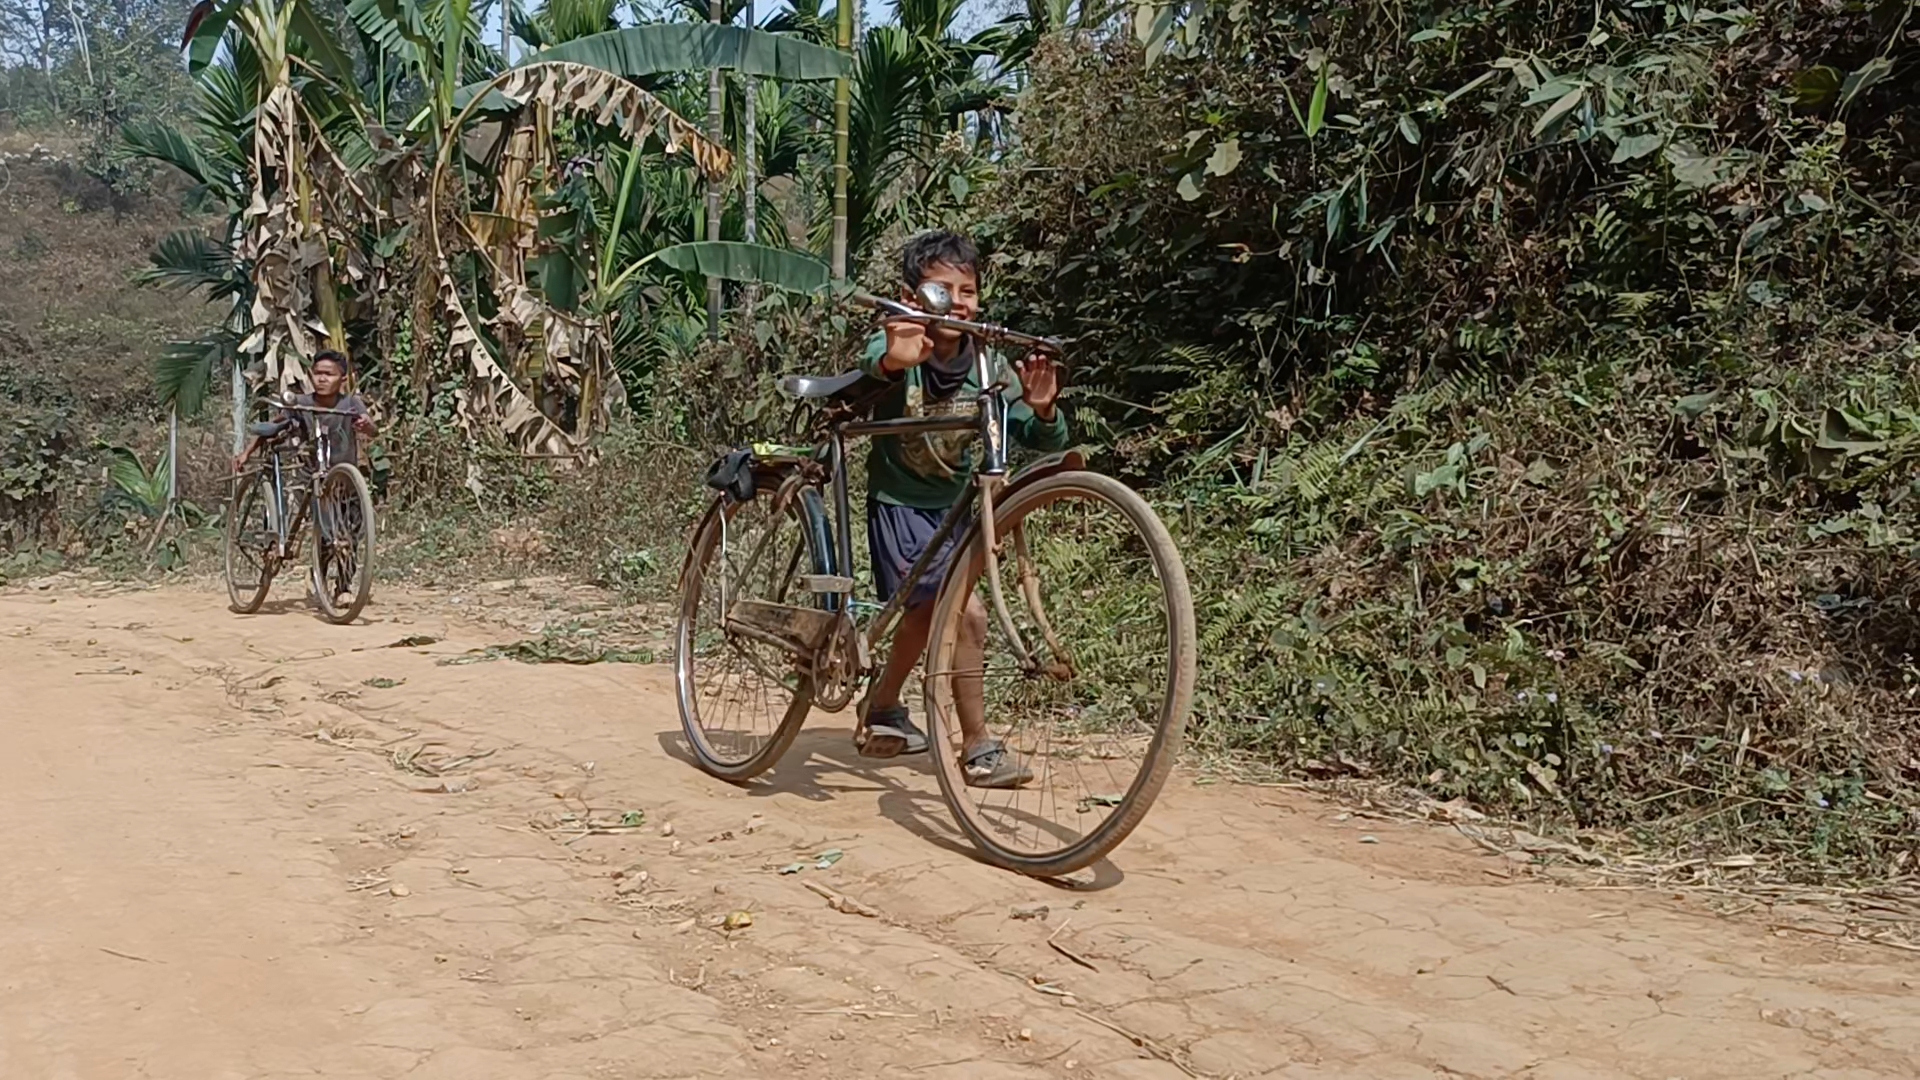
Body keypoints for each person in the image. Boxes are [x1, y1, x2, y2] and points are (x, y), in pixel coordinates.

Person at [853, 230, 1068, 789]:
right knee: (954, 614)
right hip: (901, 504)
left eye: (967, 290)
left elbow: (1031, 432)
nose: (957, 301)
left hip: (957, 510)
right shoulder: (900, 339)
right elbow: (878, 365)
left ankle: (884, 706)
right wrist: (896, 361)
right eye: (941, 289)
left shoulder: (989, 367)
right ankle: (975, 744)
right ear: (913, 295)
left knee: (937, 614)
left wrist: (1042, 410)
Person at [232, 350, 375, 475]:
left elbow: (372, 429)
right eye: (318, 373)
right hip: (311, 476)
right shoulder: (300, 403)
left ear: (343, 380)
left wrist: (366, 426)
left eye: (329, 374)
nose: (322, 379)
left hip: (345, 477)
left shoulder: (351, 403)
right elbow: (275, 426)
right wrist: (247, 453)